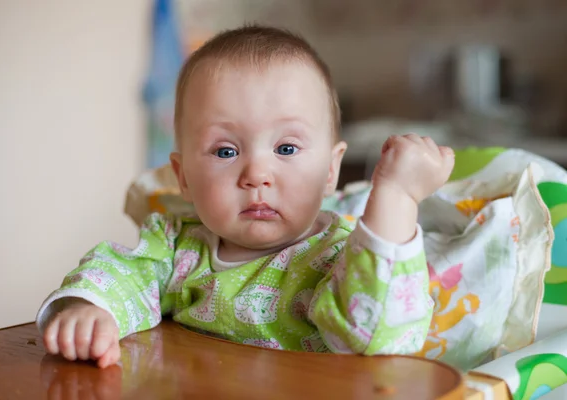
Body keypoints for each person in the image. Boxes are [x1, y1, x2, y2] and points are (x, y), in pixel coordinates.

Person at [37, 25, 454, 368]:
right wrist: (92, 310)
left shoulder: (337, 258)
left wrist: (396, 197)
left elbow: (378, 338)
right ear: (183, 177)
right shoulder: (175, 246)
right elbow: (122, 273)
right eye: (226, 151)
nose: (256, 174)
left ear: (331, 170)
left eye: (286, 149)